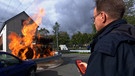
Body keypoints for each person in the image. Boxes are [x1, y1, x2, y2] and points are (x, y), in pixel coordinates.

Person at [80, 0, 135, 76]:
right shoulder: (130, 34)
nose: (94, 22)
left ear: (103, 16)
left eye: (94, 18)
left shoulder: (105, 46)